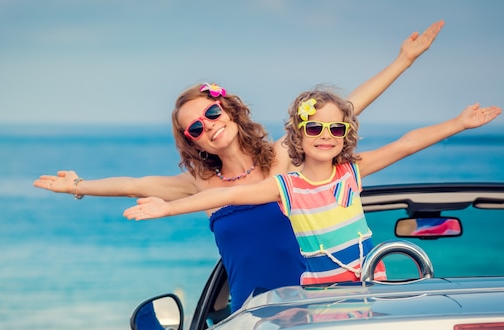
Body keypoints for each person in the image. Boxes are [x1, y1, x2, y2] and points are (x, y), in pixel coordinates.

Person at [34, 21, 444, 311]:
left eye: (212, 113)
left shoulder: (284, 156)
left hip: (317, 298)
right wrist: (78, 185)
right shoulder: (200, 184)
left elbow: (350, 106)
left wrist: (404, 60)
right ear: (190, 140)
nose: (208, 126)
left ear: (228, 109)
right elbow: (132, 184)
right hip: (251, 311)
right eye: (195, 127)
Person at [123, 87, 502, 285]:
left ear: (346, 135)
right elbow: (229, 194)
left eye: (336, 129)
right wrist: (169, 208)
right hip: (318, 292)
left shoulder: (352, 172)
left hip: (371, 284)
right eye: (315, 129)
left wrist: (458, 123)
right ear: (297, 141)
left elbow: (405, 144)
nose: (326, 135)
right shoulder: (287, 186)